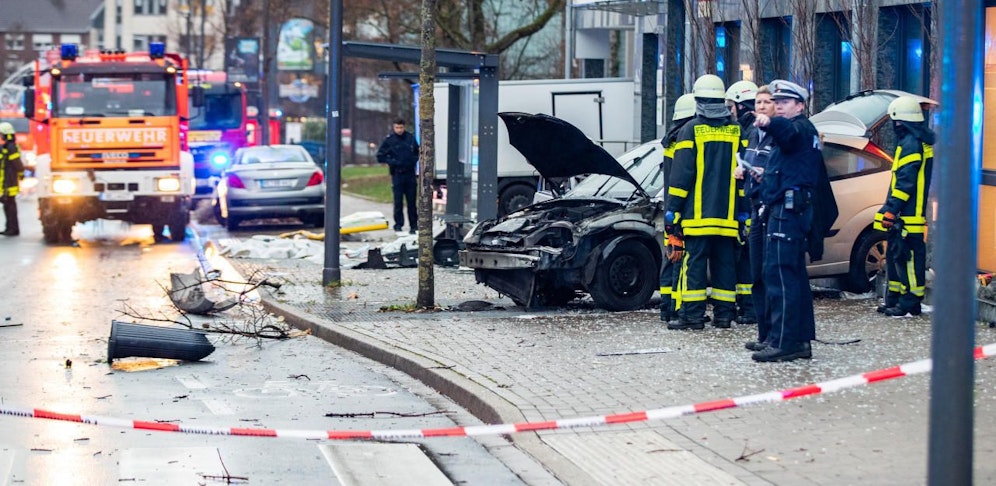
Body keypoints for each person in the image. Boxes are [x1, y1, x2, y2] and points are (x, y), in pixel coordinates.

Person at [750, 79, 828, 362]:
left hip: (788, 214)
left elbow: (789, 135)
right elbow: (789, 166)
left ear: (800, 105)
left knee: (781, 277)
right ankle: (794, 339)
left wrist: (768, 123)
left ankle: (785, 342)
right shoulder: (797, 132)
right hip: (784, 210)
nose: (778, 106)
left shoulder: (800, 128)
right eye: (777, 101)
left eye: (784, 102)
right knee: (791, 277)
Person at [665, 74, 742, 330]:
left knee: (694, 265)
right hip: (728, 215)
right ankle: (723, 316)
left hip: (697, 215)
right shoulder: (736, 130)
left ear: (698, 100)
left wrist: (672, 211)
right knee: (724, 265)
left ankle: (693, 317)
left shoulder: (690, 130)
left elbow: (681, 176)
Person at [874, 96, 935, 317]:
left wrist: (891, 208)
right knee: (897, 256)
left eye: (895, 121)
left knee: (908, 259)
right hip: (906, 213)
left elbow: (905, 182)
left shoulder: (911, 143)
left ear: (901, 122)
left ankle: (908, 303)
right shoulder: (913, 140)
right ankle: (897, 300)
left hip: (909, 215)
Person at [737, 86, 778, 351]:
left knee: (770, 274)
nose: (761, 106)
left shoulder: (779, 135)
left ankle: (775, 336)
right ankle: (764, 334)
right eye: (759, 102)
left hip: (771, 209)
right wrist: (742, 169)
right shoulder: (754, 133)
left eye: (767, 102)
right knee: (757, 277)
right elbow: (750, 161)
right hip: (755, 206)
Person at [659, 93, 696, 323]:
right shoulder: (684, 140)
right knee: (680, 261)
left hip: (671, 209)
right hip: (682, 209)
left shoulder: (670, 140)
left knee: (670, 258)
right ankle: (675, 308)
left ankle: (666, 307)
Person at [726, 80, 760, 326]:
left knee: (748, 260)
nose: (730, 112)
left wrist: (744, 214)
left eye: (732, 107)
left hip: (749, 208)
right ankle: (747, 307)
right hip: (747, 208)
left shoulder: (750, 133)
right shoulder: (747, 130)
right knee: (744, 260)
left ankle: (750, 309)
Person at [376, 118, 420, 234]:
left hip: (410, 174)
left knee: (411, 202)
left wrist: (412, 161)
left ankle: (414, 225)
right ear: (393, 127)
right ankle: (398, 224)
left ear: (404, 127)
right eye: (397, 127)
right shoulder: (390, 140)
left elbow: (417, 152)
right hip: (397, 174)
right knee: (398, 201)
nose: (399, 130)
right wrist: (393, 162)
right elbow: (380, 156)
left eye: (401, 127)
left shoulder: (410, 138)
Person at [0, 122, 24, 237]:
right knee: (7, 206)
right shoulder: (6, 147)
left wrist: (21, 173)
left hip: (10, 182)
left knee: (10, 207)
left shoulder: (11, 147)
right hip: (6, 182)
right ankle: (9, 227)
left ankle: (13, 229)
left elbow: (17, 164)